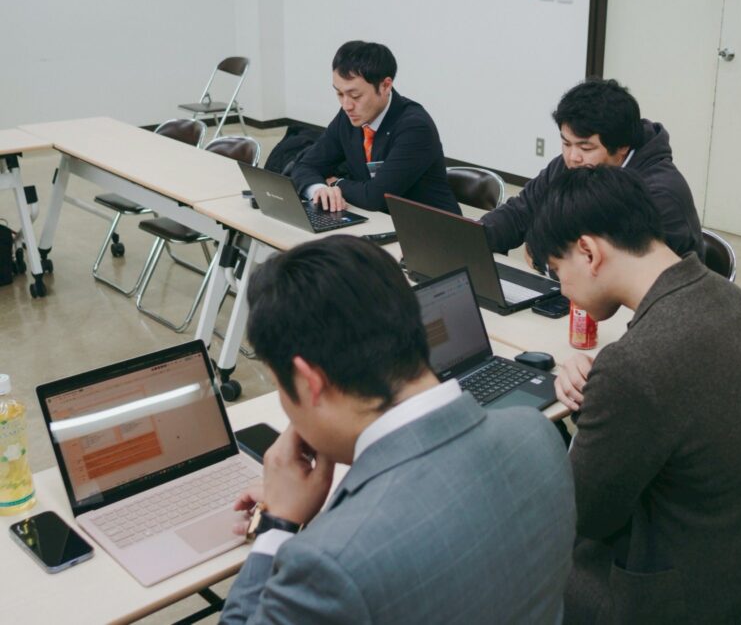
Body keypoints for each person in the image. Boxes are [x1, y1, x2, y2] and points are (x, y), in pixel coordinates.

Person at [219, 236, 575, 624]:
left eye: (279, 385)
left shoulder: (329, 564)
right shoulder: (536, 434)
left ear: (308, 382)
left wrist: (277, 524)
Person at [525, 168, 741, 624]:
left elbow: (586, 518)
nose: (561, 288)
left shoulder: (633, 365)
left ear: (588, 251)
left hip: (697, 601)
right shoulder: (726, 296)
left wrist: (601, 395)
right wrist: (602, 392)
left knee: (513, 553)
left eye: (556, 270)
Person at [481, 78, 704, 262]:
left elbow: (618, 270)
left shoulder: (659, 195)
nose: (572, 157)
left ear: (622, 147)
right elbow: (520, 212)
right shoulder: (572, 165)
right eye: (566, 143)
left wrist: (546, 260)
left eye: (586, 148)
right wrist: (476, 238)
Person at [288, 40, 461, 214]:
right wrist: (319, 189)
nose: (346, 105)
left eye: (355, 95)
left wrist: (335, 183)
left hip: (428, 225)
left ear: (385, 86)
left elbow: (375, 197)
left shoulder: (415, 127)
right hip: (379, 220)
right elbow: (305, 165)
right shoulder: (348, 116)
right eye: (339, 93)